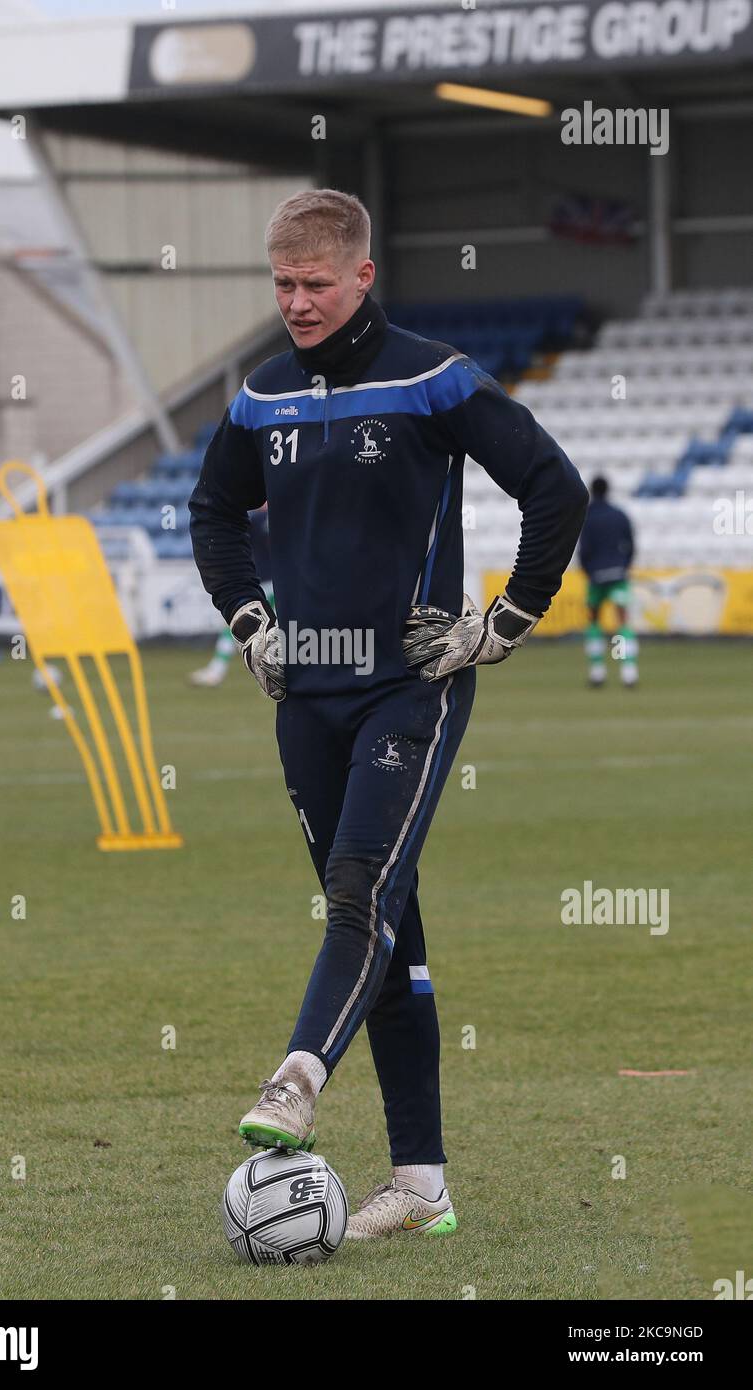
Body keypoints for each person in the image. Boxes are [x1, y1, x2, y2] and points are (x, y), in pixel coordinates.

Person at [189, 189, 588, 1239]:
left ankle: (294, 1078)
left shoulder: (431, 378)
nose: (297, 302)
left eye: (316, 283)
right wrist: (248, 619)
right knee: (386, 926)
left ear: (362, 275)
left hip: (410, 684)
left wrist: (501, 622)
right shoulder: (260, 394)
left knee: (359, 889)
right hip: (303, 697)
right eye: (281, 284)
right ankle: (419, 1184)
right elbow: (211, 509)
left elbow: (554, 487)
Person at [189, 506, 273, 686]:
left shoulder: (256, 520)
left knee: (239, 623)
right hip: (278, 581)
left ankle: (217, 670)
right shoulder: (283, 516)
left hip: (262, 580)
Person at [578, 476, 638, 687]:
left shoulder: (587, 517)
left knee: (594, 621)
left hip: (596, 576)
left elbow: (583, 550)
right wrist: (624, 565)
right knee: (622, 621)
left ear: (592, 491)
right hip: (618, 574)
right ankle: (629, 672)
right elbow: (630, 545)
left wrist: (588, 571)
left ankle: (597, 672)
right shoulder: (619, 515)